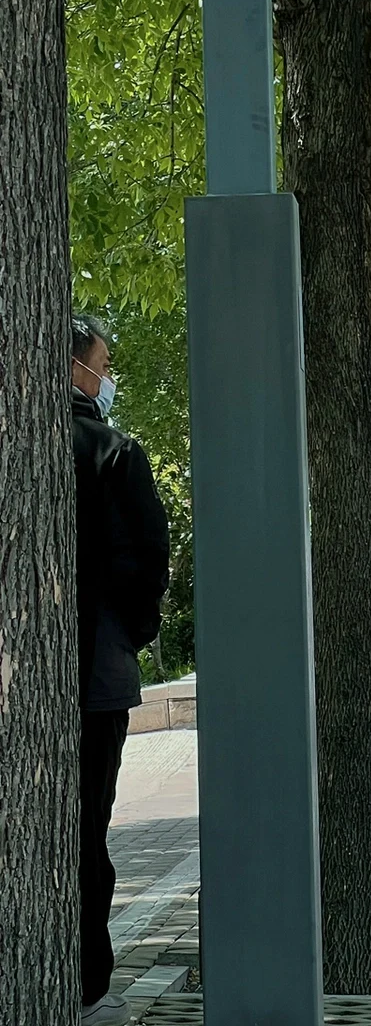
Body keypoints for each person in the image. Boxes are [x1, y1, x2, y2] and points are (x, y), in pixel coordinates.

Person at [71, 314, 170, 1024]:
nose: (108, 378)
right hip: (98, 679)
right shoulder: (111, 450)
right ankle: (85, 980)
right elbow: (150, 560)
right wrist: (130, 634)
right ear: (78, 367)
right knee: (87, 832)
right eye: (104, 363)